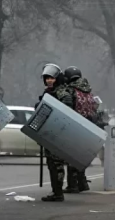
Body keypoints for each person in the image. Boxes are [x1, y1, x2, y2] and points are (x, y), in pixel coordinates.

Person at [35, 63, 73, 202]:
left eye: (51, 78)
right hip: (49, 131)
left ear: (57, 78)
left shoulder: (63, 92)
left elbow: (66, 112)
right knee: (51, 163)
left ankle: (58, 192)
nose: (49, 81)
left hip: (59, 132)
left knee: (56, 164)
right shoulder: (48, 92)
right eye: (47, 78)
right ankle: (56, 191)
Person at [63, 66, 97, 194]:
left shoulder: (71, 91)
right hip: (88, 128)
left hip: (75, 128)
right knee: (81, 157)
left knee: (71, 157)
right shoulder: (88, 91)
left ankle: (73, 185)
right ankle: (82, 183)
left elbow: (68, 109)